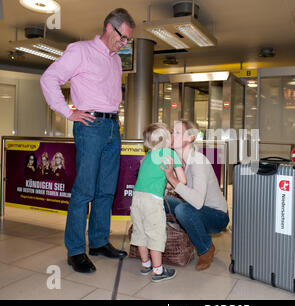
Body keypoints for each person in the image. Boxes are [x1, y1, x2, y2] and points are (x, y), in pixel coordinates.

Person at [40, 8, 135, 273]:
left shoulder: (116, 60)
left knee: (106, 188)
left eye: (128, 40)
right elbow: (49, 79)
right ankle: (75, 250)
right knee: (84, 190)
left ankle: (98, 241)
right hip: (90, 126)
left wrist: (115, 121)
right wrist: (68, 112)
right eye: (123, 37)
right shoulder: (80, 50)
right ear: (109, 28)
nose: (124, 43)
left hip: (112, 126)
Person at [161, 120, 229, 271]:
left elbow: (198, 202)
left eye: (177, 132)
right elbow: (170, 192)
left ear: (190, 138)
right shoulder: (176, 162)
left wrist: (172, 179)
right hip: (195, 208)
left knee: (183, 210)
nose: (172, 135)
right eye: (172, 131)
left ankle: (205, 248)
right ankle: (162, 241)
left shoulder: (198, 161)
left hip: (217, 216)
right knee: (161, 201)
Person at [130, 123, 186, 282]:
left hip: (137, 198)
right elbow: (182, 181)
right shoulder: (170, 153)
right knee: (155, 234)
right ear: (167, 139)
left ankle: (145, 264)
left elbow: (156, 180)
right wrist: (172, 180)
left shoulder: (147, 157)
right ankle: (158, 271)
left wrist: (167, 184)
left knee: (140, 232)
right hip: (152, 201)